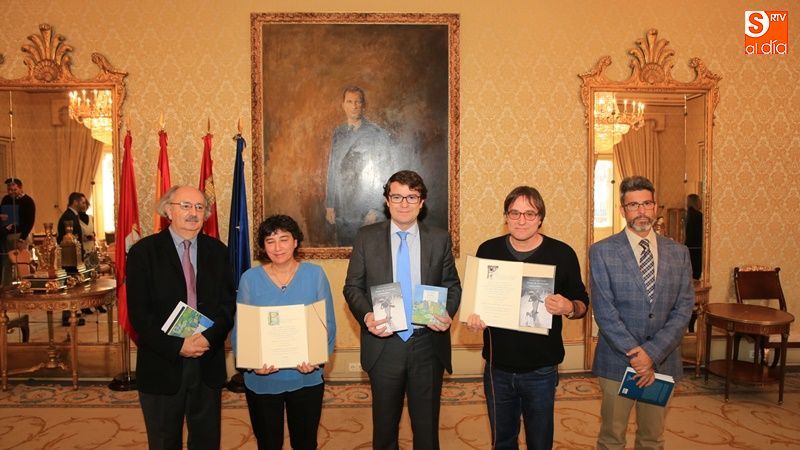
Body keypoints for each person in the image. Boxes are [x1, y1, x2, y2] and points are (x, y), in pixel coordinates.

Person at [344, 170, 461, 449]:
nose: (404, 203)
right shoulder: (366, 237)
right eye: (397, 197)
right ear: (387, 201)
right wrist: (367, 315)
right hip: (385, 345)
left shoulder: (439, 238)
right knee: (385, 429)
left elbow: (452, 285)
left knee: (427, 430)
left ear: (422, 202)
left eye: (411, 197)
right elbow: (352, 287)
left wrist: (447, 312)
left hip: (427, 345)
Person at [465, 186, 588, 450]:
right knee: (502, 441)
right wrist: (473, 318)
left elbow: (582, 305)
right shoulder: (488, 250)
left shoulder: (562, 254)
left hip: (541, 369)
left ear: (540, 218)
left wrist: (568, 306)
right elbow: (474, 302)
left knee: (540, 442)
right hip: (497, 367)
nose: (521, 220)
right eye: (515, 213)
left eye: (529, 214)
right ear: (506, 216)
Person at [126, 185, 236, 450]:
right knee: (164, 441)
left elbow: (227, 306)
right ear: (168, 210)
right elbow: (140, 315)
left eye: (199, 207)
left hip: (207, 360)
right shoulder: (144, 252)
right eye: (185, 206)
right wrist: (178, 345)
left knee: (207, 441)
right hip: (162, 362)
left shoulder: (218, 252)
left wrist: (207, 339)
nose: (193, 213)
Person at [590, 176, 694, 450]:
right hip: (617, 361)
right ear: (622, 210)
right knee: (612, 439)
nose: (641, 211)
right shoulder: (601, 252)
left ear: (655, 207)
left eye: (646, 204)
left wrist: (652, 354)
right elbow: (604, 311)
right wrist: (638, 357)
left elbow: (684, 308)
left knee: (652, 438)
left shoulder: (679, 253)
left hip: (662, 362)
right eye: (633, 205)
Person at [233, 214, 336, 450]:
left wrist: (316, 358)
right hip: (262, 379)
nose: (277, 247)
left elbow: (327, 323)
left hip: (306, 377)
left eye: (284, 239)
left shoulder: (315, 274)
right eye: (270, 241)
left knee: (305, 442)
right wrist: (251, 363)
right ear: (263, 247)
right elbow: (242, 327)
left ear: (295, 242)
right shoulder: (250, 278)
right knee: (268, 443)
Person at [325, 86, 395, 246]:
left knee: (368, 252)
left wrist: (376, 209)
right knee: (344, 250)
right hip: (342, 209)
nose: (354, 106)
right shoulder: (338, 133)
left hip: (366, 211)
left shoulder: (377, 133)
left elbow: (385, 173)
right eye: (350, 102)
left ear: (364, 105)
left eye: (358, 102)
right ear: (343, 105)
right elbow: (333, 169)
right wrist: (330, 205)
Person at [56, 192, 90, 325]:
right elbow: (68, 240)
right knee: (70, 287)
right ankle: (68, 317)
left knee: (73, 287)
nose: (84, 204)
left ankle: (72, 314)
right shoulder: (68, 216)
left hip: (73, 257)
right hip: (69, 258)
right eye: (82, 202)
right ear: (75, 202)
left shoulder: (73, 215)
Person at [0, 178, 36, 287]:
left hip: (21, 235)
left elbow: (30, 222)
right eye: (9, 190)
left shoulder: (28, 201)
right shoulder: (6, 199)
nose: (11, 192)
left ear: (20, 188)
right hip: (7, 235)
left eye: (14, 190)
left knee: (22, 263)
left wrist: (22, 239)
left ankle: (27, 285)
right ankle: (6, 287)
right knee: (6, 262)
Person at [684, 193, 703, 280]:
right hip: (697, 248)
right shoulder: (698, 216)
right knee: (696, 273)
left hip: (690, 246)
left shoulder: (689, 214)